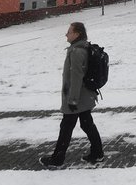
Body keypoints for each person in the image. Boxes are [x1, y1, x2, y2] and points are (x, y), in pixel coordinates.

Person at [40, 21, 104, 166]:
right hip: (85, 96)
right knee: (87, 124)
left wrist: (72, 100)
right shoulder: (82, 48)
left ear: (77, 34)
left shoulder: (76, 51)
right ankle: (97, 153)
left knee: (66, 127)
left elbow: (76, 77)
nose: (66, 34)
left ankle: (57, 159)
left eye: (69, 32)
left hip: (77, 98)